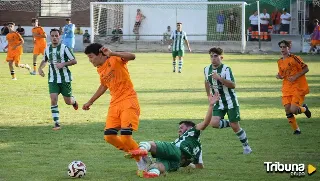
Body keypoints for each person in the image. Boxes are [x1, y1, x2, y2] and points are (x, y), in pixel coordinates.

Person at [83, 43, 145, 174]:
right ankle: (138, 153)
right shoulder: (100, 68)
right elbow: (103, 86)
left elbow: (132, 56)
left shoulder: (114, 59)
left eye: (91, 57)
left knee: (125, 137)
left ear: (100, 54)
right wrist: (90, 102)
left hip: (128, 100)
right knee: (109, 136)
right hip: (115, 104)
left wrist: (113, 53)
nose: (90, 60)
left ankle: (143, 164)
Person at [127, 92, 220, 178]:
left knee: (150, 144)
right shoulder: (198, 148)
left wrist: (211, 105)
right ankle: (153, 173)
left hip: (176, 150)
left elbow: (205, 123)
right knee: (158, 166)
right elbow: (200, 166)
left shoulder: (192, 132)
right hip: (178, 162)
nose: (179, 129)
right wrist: (188, 164)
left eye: (182, 127)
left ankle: (142, 150)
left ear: (190, 128)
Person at [204, 47, 252, 154]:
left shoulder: (226, 69)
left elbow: (233, 85)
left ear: (221, 57)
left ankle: (246, 146)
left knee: (236, 127)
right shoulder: (207, 69)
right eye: (211, 56)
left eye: (215, 56)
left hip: (230, 101)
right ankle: (231, 123)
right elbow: (207, 82)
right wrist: (209, 95)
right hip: (218, 102)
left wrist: (220, 78)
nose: (213, 58)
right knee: (214, 123)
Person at [38, 28, 78, 130]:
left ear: (59, 37)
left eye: (56, 36)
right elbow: (44, 60)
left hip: (65, 79)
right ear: (50, 37)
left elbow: (74, 61)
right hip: (52, 79)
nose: (54, 38)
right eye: (53, 36)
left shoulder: (65, 48)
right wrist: (40, 69)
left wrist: (63, 64)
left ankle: (73, 101)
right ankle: (57, 123)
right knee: (53, 99)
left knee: (68, 101)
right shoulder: (47, 48)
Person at [276, 40, 312, 134]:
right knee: (287, 109)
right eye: (281, 47)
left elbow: (306, 68)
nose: (282, 49)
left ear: (289, 48)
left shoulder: (295, 58)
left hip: (297, 87)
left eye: (284, 47)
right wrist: (279, 76)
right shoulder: (279, 61)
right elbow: (282, 74)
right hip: (287, 88)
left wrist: (295, 76)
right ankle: (297, 130)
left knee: (294, 110)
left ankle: (304, 109)